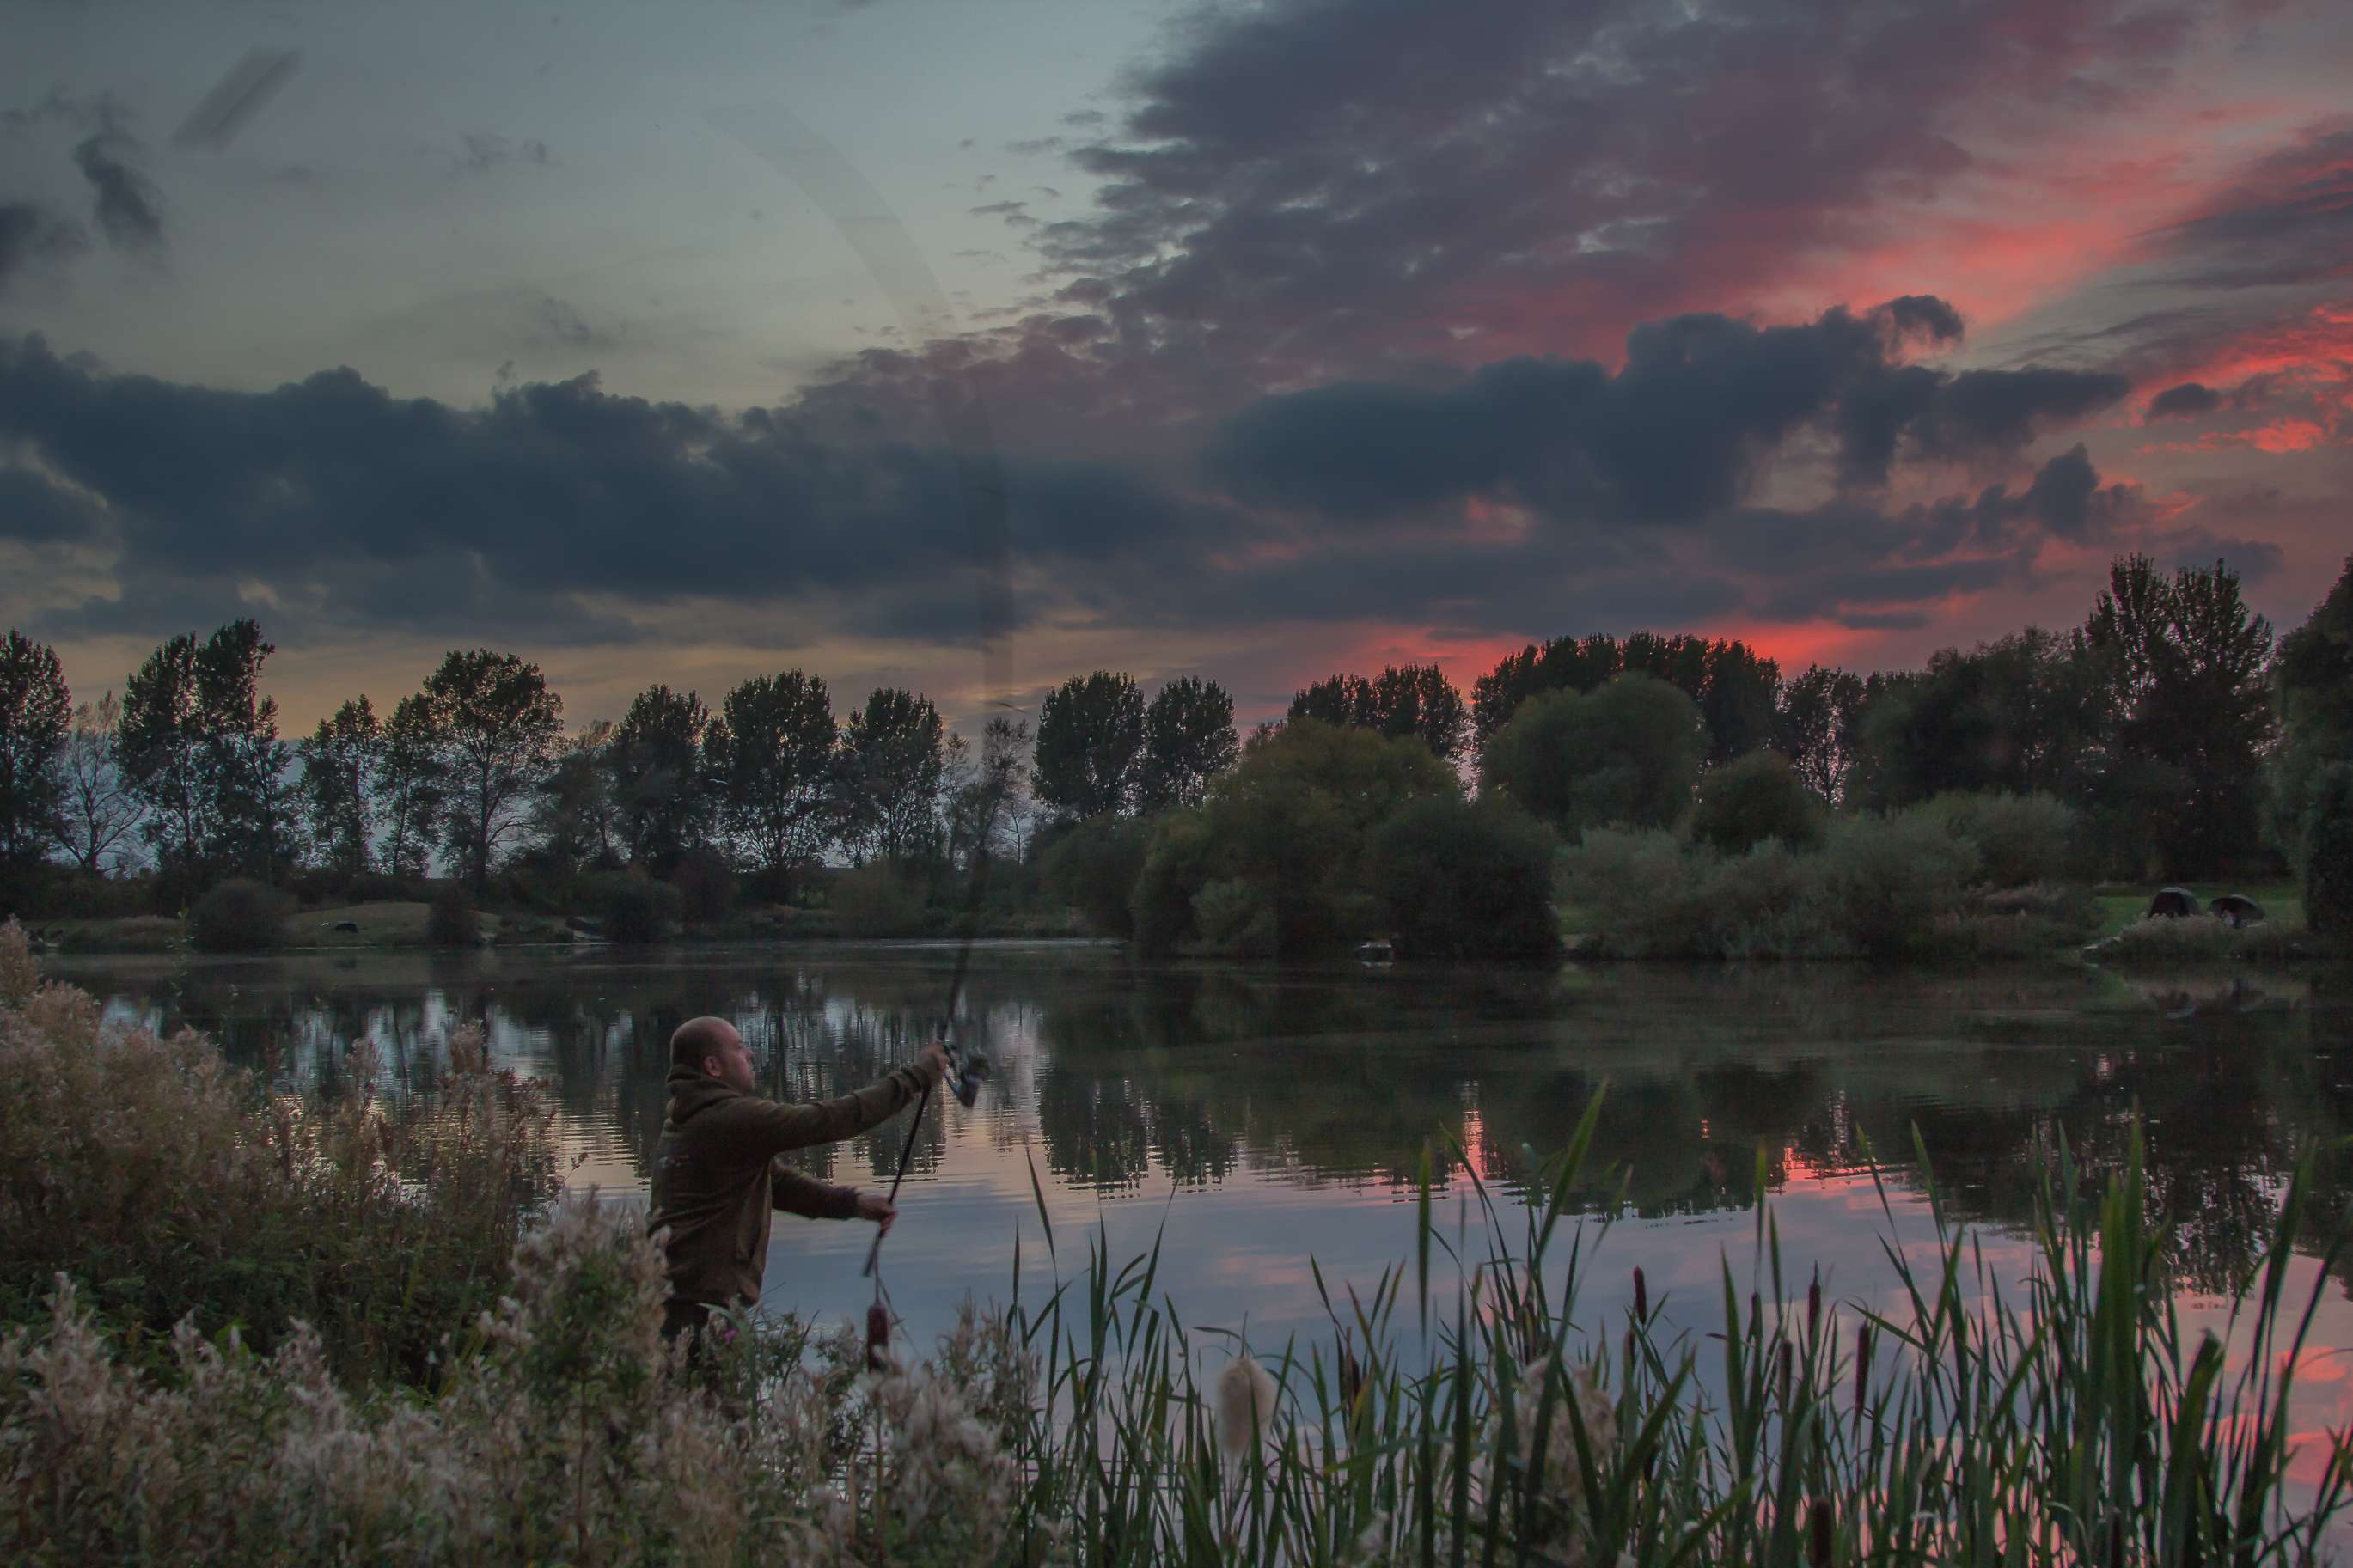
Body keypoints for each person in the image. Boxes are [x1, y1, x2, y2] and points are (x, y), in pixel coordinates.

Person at [649, 1014, 949, 1349]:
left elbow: (775, 1183)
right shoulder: (729, 1119)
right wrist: (916, 1077)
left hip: (679, 1305)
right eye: (738, 1048)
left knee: (690, 1398)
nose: (749, 1054)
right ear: (713, 1067)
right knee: (706, 1397)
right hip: (702, 1312)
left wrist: (852, 1204)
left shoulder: (687, 1121)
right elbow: (827, 1121)